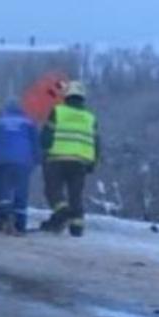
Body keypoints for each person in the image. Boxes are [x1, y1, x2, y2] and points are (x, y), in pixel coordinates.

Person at [41, 82, 100, 237]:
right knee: (76, 194)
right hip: (80, 162)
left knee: (53, 191)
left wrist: (44, 150)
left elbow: (47, 135)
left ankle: (62, 213)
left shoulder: (58, 111)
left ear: (66, 95)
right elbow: (96, 142)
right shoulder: (90, 117)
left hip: (57, 159)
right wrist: (93, 162)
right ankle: (77, 227)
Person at [0, 98, 39, 233]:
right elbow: (35, 144)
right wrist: (36, 161)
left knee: (4, 191)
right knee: (21, 192)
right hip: (23, 162)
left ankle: (5, 218)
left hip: (3, 162)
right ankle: (20, 225)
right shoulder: (28, 123)